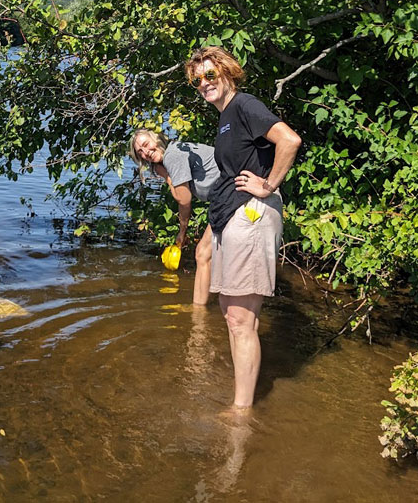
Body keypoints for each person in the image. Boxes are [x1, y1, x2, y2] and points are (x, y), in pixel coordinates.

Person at [185, 46, 302, 409]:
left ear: (228, 72)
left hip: (252, 214)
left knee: (240, 319)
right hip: (233, 214)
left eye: (209, 75)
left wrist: (268, 185)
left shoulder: (245, 105)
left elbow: (290, 140)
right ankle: (240, 401)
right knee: (231, 313)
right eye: (197, 79)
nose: (204, 83)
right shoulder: (224, 118)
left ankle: (240, 413)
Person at [129, 129, 218, 306]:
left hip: (232, 194)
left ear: (156, 140)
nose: (145, 153)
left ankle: (199, 312)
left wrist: (182, 232)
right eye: (140, 152)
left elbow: (184, 199)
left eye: (146, 145)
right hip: (225, 197)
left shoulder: (173, 155)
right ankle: (207, 308)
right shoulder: (173, 153)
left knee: (202, 254)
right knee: (208, 254)